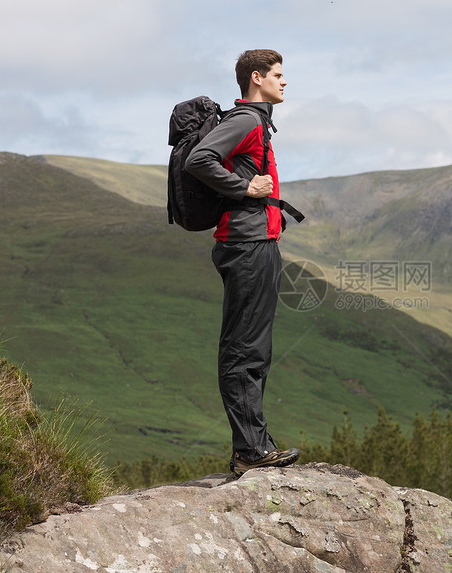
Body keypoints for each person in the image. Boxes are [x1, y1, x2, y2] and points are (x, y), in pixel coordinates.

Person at [184, 49, 300, 476]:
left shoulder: (259, 122)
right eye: (278, 74)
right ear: (257, 77)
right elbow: (200, 160)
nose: (285, 82)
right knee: (243, 348)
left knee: (256, 349)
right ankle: (249, 450)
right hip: (245, 244)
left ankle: (254, 444)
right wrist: (244, 189)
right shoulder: (246, 120)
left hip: (260, 243)